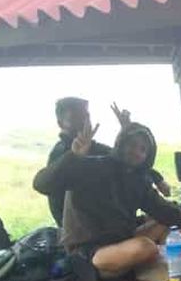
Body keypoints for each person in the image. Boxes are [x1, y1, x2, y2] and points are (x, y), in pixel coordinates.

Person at [33, 119, 181, 281]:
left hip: (122, 241)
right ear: (121, 144)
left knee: (167, 221)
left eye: (143, 149)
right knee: (145, 246)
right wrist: (73, 156)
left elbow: (163, 210)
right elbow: (41, 184)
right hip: (90, 254)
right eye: (132, 145)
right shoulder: (91, 167)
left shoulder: (138, 180)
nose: (136, 152)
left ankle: (150, 264)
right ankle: (146, 263)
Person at [44, 97, 170, 226]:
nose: (84, 123)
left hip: (110, 222)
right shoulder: (60, 155)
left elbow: (126, 160)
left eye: (86, 117)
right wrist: (74, 156)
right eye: (75, 118)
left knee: (164, 221)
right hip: (84, 229)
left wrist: (157, 179)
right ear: (60, 124)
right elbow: (46, 186)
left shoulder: (94, 148)